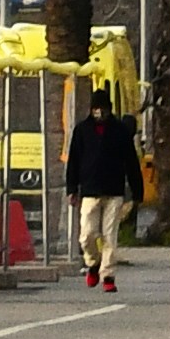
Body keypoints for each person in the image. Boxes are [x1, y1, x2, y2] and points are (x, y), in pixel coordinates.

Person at [65, 82, 144, 292]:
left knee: (110, 236)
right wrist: (71, 188)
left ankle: (108, 275)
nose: (100, 112)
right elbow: (74, 160)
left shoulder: (120, 132)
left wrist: (137, 191)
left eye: (103, 108)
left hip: (114, 191)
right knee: (87, 235)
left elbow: (131, 163)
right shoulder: (82, 131)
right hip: (89, 191)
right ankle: (93, 263)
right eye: (96, 108)